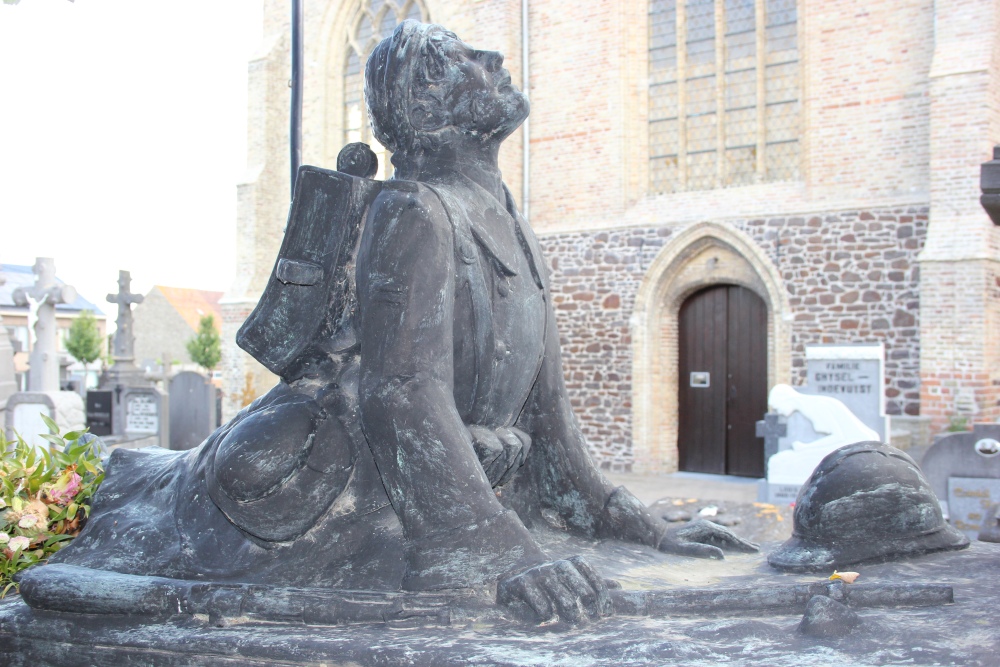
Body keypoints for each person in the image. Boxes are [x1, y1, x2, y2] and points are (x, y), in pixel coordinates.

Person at [31, 20, 754, 626]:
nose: (495, 61)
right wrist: (498, 549)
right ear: (427, 105)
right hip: (307, 486)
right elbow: (400, 393)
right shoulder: (415, 209)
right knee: (133, 542)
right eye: (468, 60)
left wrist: (637, 523)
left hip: (424, 487)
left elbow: (550, 415)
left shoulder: (515, 229)